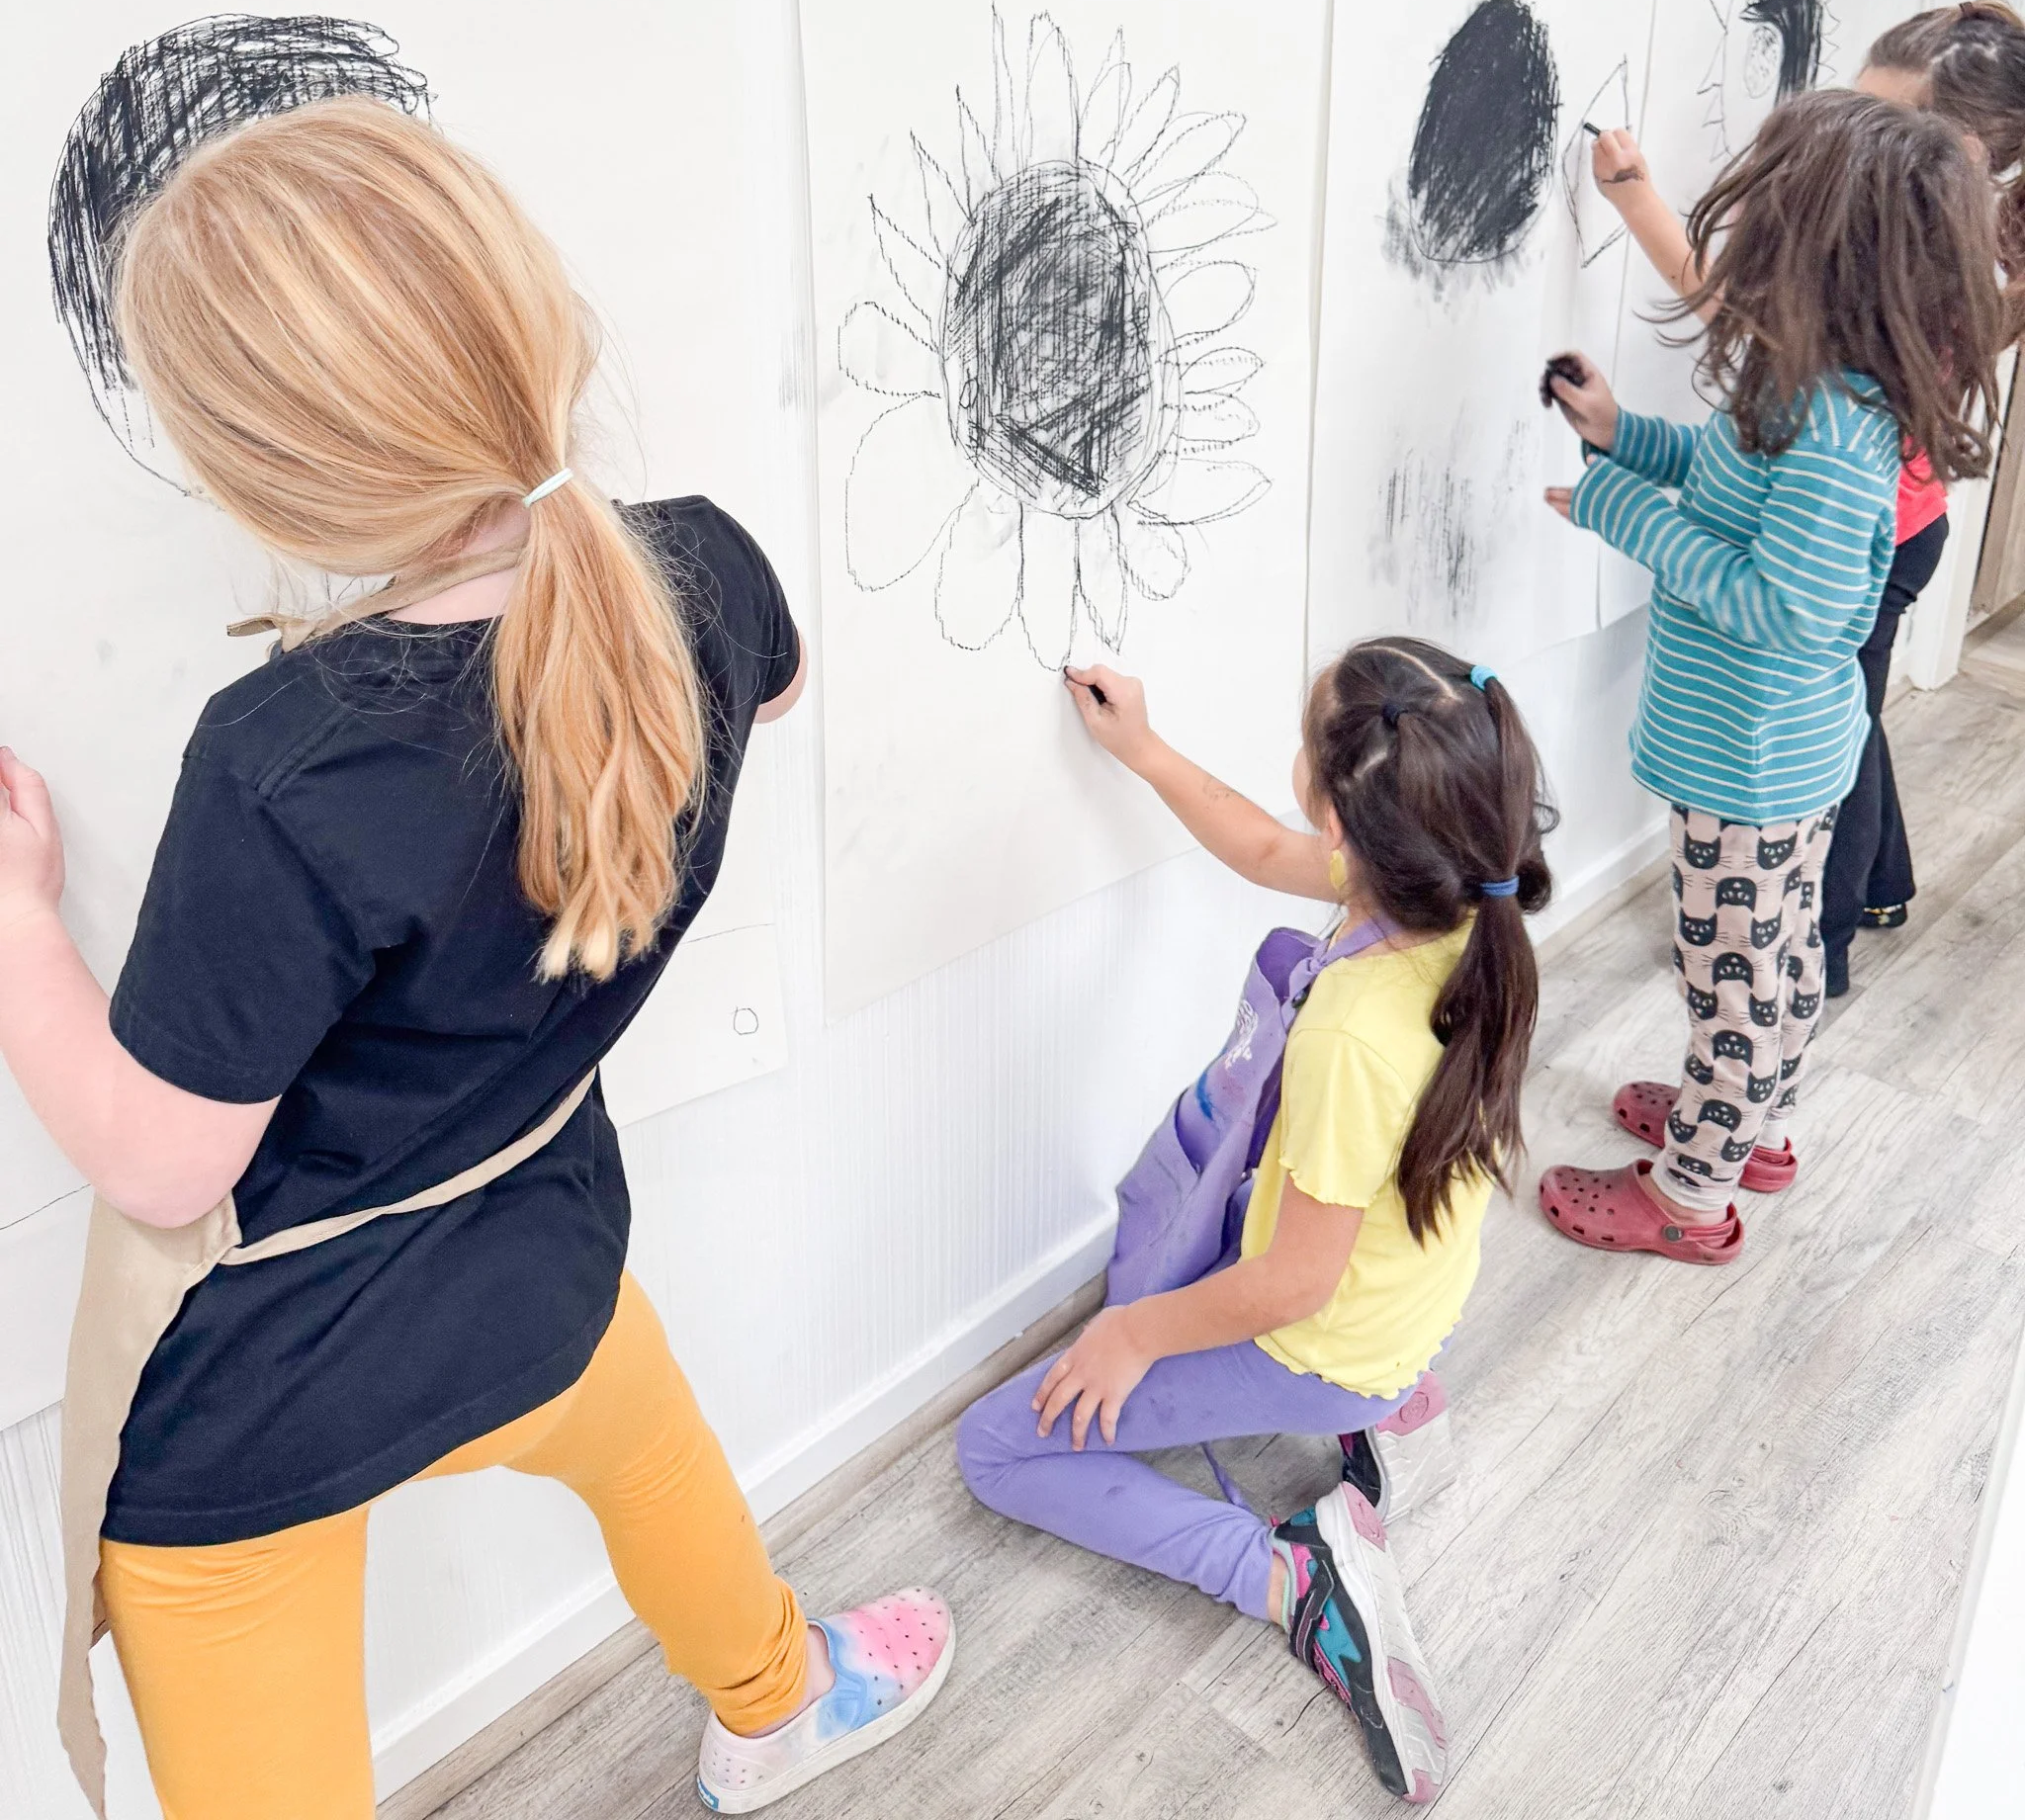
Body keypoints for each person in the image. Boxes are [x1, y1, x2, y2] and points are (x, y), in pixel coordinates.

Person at [0, 99, 949, 1820]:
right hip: (538, 1261)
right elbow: (779, 685)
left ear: (261, 482)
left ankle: (779, 1689)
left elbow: (159, 1156)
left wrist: (11, 926)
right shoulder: (705, 568)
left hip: (264, 1397)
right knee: (659, 1459)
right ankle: (781, 1697)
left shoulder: (283, 757)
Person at [956, 639, 1556, 1807]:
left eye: (1299, 735)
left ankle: (1291, 1576)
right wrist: (1140, 747)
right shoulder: (1457, 901)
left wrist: (1131, 1336)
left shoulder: (1352, 1028)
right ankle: (1390, 1398)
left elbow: (1290, 1282)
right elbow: (1254, 843)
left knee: (996, 1445)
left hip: (1325, 1340)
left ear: (1337, 808)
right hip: (1412, 1301)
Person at [1540, 89, 2002, 1257]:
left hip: (1750, 766)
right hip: (1775, 754)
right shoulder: (1811, 388)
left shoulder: (1835, 428)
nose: (1741, 247)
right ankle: (1750, 1125)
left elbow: (1783, 610)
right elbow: (1722, 470)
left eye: (1768, 225)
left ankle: (1689, 1192)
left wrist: (1617, 510)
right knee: (1779, 956)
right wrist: (1620, 437)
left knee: (1736, 984)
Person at [1588, 0, 2025, 996]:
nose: (1839, 146)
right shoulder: (1919, 245)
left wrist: (1629, 506)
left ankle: (1818, 944)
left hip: (1860, 540)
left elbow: (1730, 309)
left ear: (1946, 155)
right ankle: (1862, 895)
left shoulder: (1910, 284)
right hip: (1870, 529)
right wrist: (1636, 202)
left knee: (1840, 734)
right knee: (1844, 723)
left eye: (1869, 127)